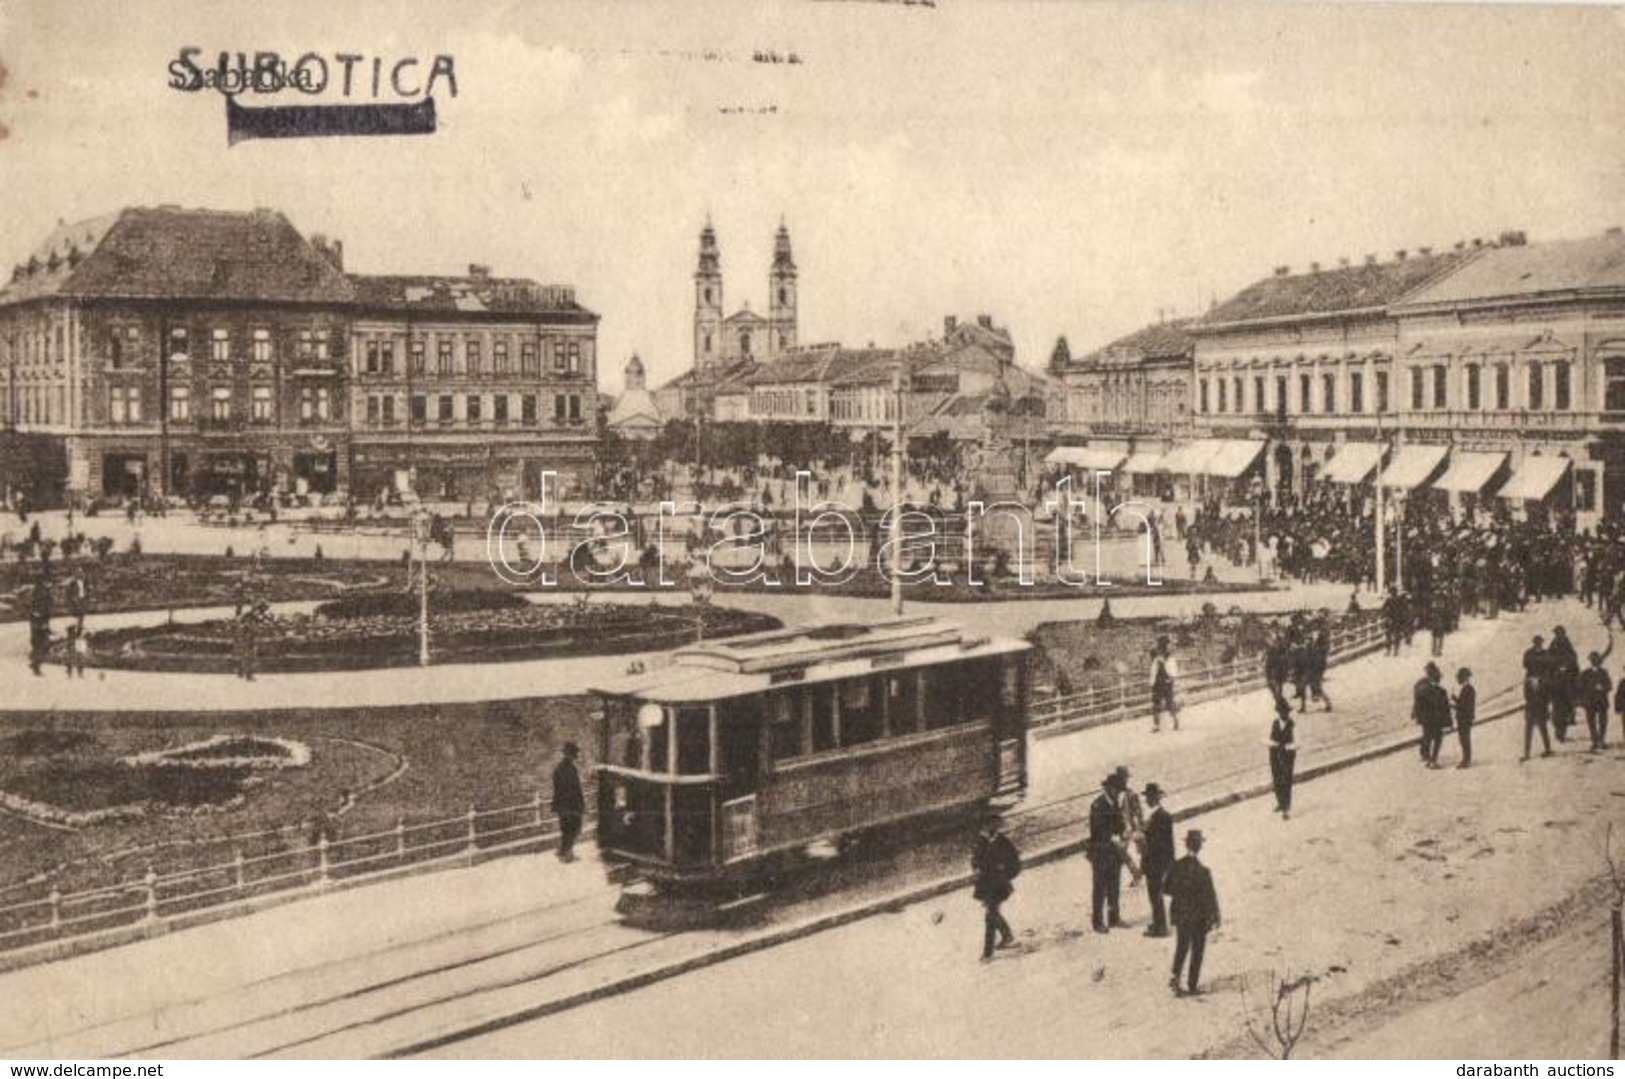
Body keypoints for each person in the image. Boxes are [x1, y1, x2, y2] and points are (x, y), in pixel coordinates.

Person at [1164, 829, 1220, 997]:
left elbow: (1166, 888)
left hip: (1181, 915)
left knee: (1181, 947)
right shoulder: (1203, 872)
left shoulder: (1176, 866)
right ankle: (1192, 985)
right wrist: (1215, 916)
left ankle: (1175, 978)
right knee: (1197, 950)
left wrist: (1180, 896)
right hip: (1198, 917)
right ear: (1199, 846)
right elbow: (1210, 898)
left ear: (1186, 845)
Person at [971, 814, 1021, 961]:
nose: (986, 829)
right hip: (986, 885)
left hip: (998, 884)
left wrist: (1005, 872)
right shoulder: (981, 841)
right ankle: (1007, 936)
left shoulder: (1003, 842)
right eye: (986, 826)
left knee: (990, 916)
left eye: (990, 826)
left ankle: (988, 952)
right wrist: (976, 868)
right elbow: (975, 859)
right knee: (992, 913)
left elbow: (1015, 863)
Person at [1087, 772, 1128, 933]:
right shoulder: (1098, 805)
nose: (1118, 793)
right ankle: (1097, 922)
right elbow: (1097, 830)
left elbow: (1119, 823)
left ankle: (1114, 918)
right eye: (1117, 790)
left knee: (1114, 886)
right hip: (1100, 852)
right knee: (1100, 888)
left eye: (1119, 791)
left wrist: (1122, 832)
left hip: (1114, 852)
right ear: (1109, 788)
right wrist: (1113, 837)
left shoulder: (1114, 803)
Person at [1141, 783, 1174, 938]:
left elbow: (1162, 843)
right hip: (1157, 861)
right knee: (1155, 895)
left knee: (1155, 895)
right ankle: (1158, 924)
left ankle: (1160, 928)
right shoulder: (1160, 815)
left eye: (1148, 797)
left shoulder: (1159, 817)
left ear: (1154, 798)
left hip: (1156, 862)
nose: (1146, 799)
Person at [1412, 661, 1451, 768]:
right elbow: (1445, 709)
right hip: (1437, 720)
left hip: (1426, 719)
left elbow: (1417, 702)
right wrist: (1448, 723)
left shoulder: (1421, 687)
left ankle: (1426, 756)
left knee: (1427, 736)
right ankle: (1432, 760)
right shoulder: (1442, 692)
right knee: (1437, 739)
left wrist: (1417, 714)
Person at [551, 741, 586, 862]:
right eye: (575, 753)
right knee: (573, 828)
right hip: (571, 805)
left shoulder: (559, 768)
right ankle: (566, 854)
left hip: (562, 804)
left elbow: (557, 786)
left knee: (566, 828)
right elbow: (574, 789)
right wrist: (579, 805)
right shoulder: (570, 768)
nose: (576, 755)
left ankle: (564, 851)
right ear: (571, 754)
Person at [1579, 646, 1615, 752]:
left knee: (1603, 722)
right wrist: (1592, 688)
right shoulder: (1585, 673)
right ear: (1590, 661)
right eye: (1593, 660)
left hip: (1602, 701)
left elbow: (1609, 686)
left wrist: (1602, 688)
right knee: (1591, 722)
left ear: (1599, 661)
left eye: (1596, 660)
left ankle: (1602, 740)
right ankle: (1594, 741)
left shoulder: (1604, 673)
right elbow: (1580, 686)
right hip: (1590, 702)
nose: (1595, 662)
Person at [1268, 696, 1297, 819]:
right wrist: (1273, 744)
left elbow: (1298, 742)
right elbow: (1266, 739)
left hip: (1287, 755)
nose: (1284, 714)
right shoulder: (1274, 723)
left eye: (1286, 712)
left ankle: (1286, 808)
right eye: (1281, 712)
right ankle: (1280, 802)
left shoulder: (1293, 725)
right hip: (1274, 754)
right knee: (1276, 778)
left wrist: (1286, 747)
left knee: (1286, 779)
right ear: (1278, 712)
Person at [1150, 637, 1180, 733]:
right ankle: (1156, 725)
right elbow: (1154, 670)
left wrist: (1171, 678)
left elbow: (1172, 669)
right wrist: (1152, 682)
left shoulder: (1168, 657)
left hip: (1166, 682)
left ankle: (1174, 722)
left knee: (1169, 702)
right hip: (1158, 683)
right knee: (1156, 704)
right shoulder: (1156, 657)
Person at [1453, 667, 1476, 769]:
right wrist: (1455, 700)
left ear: (1464, 678)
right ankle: (1466, 759)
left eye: (1459, 678)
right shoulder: (1467, 689)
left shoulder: (1469, 689)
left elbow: (1465, 706)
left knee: (1465, 740)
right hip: (1464, 718)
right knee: (1463, 740)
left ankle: (1466, 760)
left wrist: (1454, 705)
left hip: (1465, 719)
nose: (1458, 680)